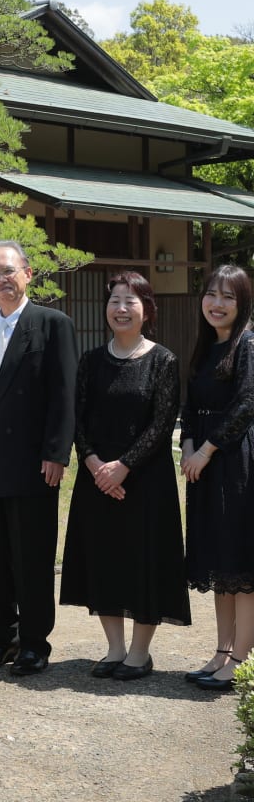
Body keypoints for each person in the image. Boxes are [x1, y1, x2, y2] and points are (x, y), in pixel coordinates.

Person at [59, 272, 189, 681]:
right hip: (98, 481)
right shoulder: (91, 360)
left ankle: (139, 652)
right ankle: (114, 648)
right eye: (114, 300)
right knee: (104, 559)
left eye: (130, 301)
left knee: (143, 561)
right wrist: (96, 464)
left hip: (146, 481)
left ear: (146, 309)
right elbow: (78, 420)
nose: (120, 308)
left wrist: (123, 467)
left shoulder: (163, 360)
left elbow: (162, 423)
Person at [0, 240, 77, 675]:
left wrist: (56, 452)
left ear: (28, 274)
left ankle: (34, 642)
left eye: (8, 271)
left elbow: (64, 395)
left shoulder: (53, 324)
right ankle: (1, 637)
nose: (1, 279)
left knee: (32, 555)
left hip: (34, 463)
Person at [180, 264, 254, 691]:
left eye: (228, 296)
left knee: (241, 568)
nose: (217, 303)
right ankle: (222, 650)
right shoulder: (207, 347)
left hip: (236, 463)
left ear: (241, 302)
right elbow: (190, 406)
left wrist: (207, 450)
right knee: (220, 566)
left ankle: (241, 661)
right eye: (211, 294)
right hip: (204, 466)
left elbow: (247, 405)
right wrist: (189, 445)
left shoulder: (247, 344)